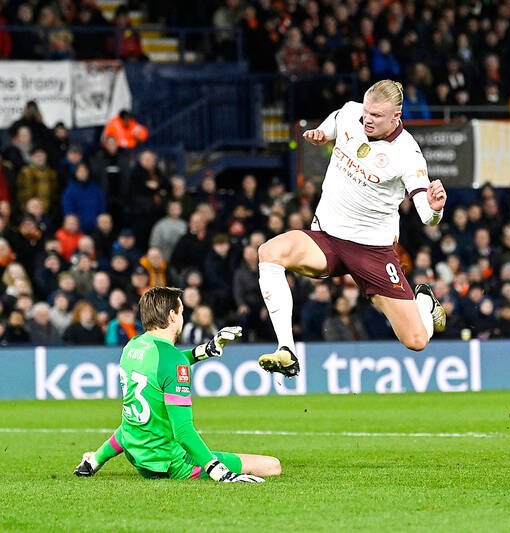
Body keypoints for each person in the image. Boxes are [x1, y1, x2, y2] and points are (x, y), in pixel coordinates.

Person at [256, 80, 447, 377]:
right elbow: (335, 121)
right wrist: (322, 132)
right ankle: (286, 350)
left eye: (377, 116)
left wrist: (435, 208)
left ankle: (423, 301)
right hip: (327, 238)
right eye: (367, 112)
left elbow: (426, 215)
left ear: (397, 116)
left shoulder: (408, 155)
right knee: (269, 252)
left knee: (416, 341)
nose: (368, 119)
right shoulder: (351, 114)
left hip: (372, 252)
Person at [74, 286, 279, 482]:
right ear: (172, 316)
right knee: (272, 465)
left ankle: (93, 461)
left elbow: (163, 367)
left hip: (137, 456)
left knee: (134, 418)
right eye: (181, 312)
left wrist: (205, 350)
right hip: (170, 464)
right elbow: (183, 431)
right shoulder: (173, 361)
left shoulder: (133, 346)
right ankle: (214, 468)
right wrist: (218, 471)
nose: (182, 318)